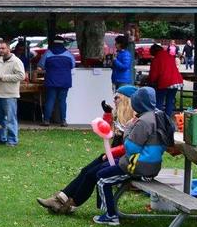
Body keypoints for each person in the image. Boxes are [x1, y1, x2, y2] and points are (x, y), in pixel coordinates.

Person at [37, 86, 138, 215]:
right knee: (86, 171)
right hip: (115, 156)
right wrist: (107, 114)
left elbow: (129, 147)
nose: (114, 100)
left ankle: (71, 205)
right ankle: (60, 198)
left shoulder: (134, 121)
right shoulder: (121, 117)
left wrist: (110, 154)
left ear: (126, 100)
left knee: (91, 175)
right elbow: (107, 131)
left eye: (117, 97)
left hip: (125, 160)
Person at [92, 87, 171, 226]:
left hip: (137, 167)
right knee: (104, 168)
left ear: (138, 103)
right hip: (152, 166)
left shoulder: (143, 122)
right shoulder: (159, 116)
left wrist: (128, 128)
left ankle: (110, 215)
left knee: (102, 178)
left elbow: (131, 147)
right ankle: (107, 209)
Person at [0, 41, 25, 145]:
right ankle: (1, 138)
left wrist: (4, 77)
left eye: (3, 48)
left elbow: (21, 76)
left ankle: (12, 140)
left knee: (10, 119)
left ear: (9, 49)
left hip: (10, 94)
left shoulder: (16, 61)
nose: (1, 50)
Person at [40, 37, 76, 125]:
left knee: (50, 100)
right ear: (62, 43)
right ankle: (63, 120)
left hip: (51, 80)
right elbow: (73, 65)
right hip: (65, 81)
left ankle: (46, 120)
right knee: (62, 101)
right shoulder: (68, 54)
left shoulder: (48, 53)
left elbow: (41, 65)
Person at [145, 43, 183, 117]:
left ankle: (159, 119)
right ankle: (167, 119)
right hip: (176, 81)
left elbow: (154, 75)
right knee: (170, 101)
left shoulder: (156, 59)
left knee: (159, 101)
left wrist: (150, 81)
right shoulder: (170, 56)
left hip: (165, 81)